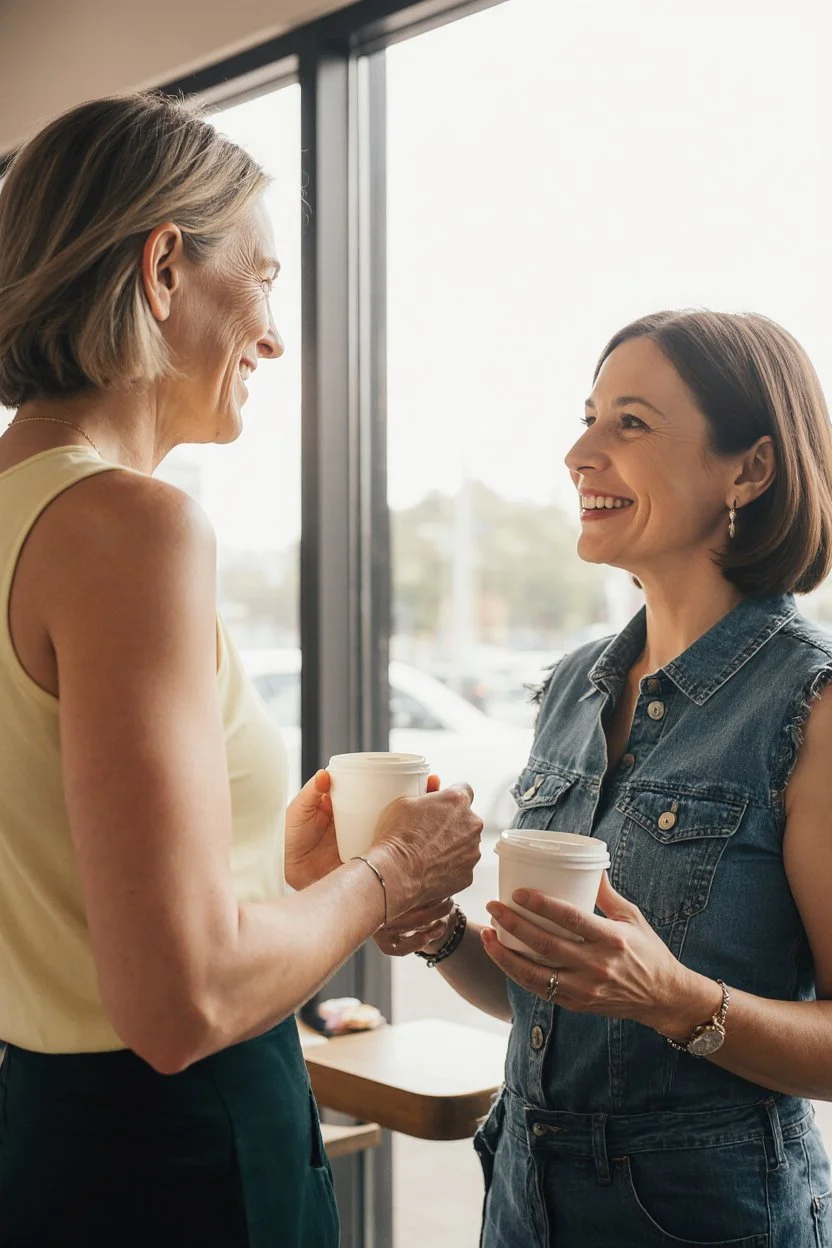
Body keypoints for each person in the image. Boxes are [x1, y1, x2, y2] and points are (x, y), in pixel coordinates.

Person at [0, 92, 483, 1247]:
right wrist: (387, 875)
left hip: (43, 1135)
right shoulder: (130, 528)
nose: (272, 334)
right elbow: (184, 1003)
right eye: (262, 281)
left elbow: (57, 882)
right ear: (163, 266)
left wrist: (274, 875)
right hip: (176, 1152)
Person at [383, 309, 832, 1245]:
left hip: (709, 1215)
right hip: (521, 1191)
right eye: (587, 417)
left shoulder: (812, 705)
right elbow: (549, 996)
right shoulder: (574, 688)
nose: (579, 452)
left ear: (748, 469)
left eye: (629, 422)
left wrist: (677, 998)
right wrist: (435, 928)